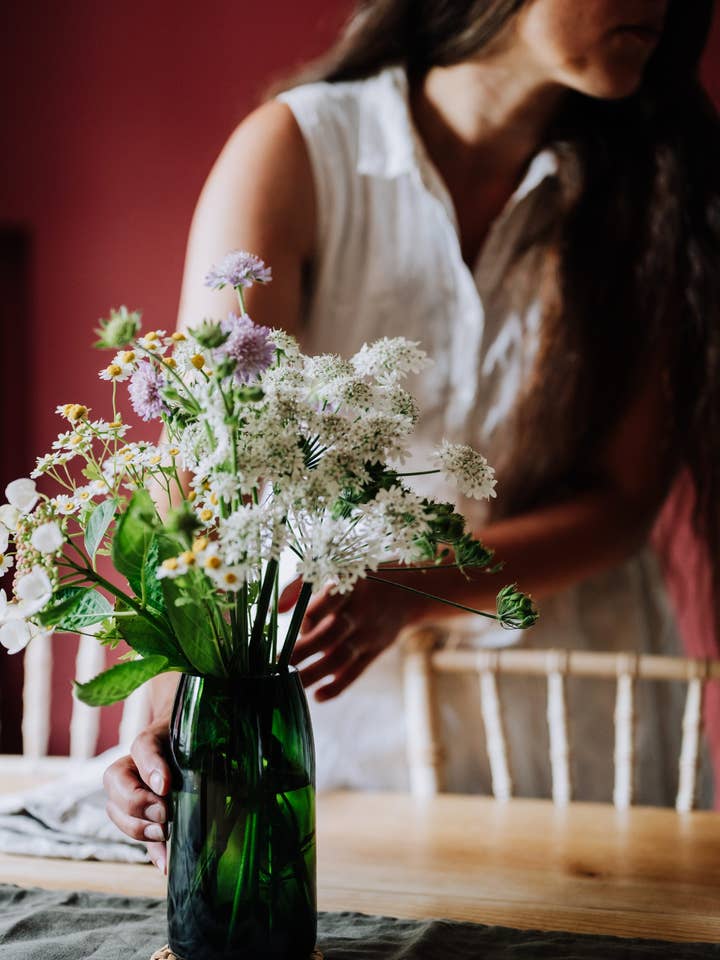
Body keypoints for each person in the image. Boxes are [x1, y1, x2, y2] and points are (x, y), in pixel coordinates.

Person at [103, 0, 720, 871]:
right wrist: (172, 681)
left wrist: (416, 585)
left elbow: (622, 507)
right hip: (332, 703)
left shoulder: (654, 187)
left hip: (572, 720)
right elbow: (206, 464)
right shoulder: (298, 153)